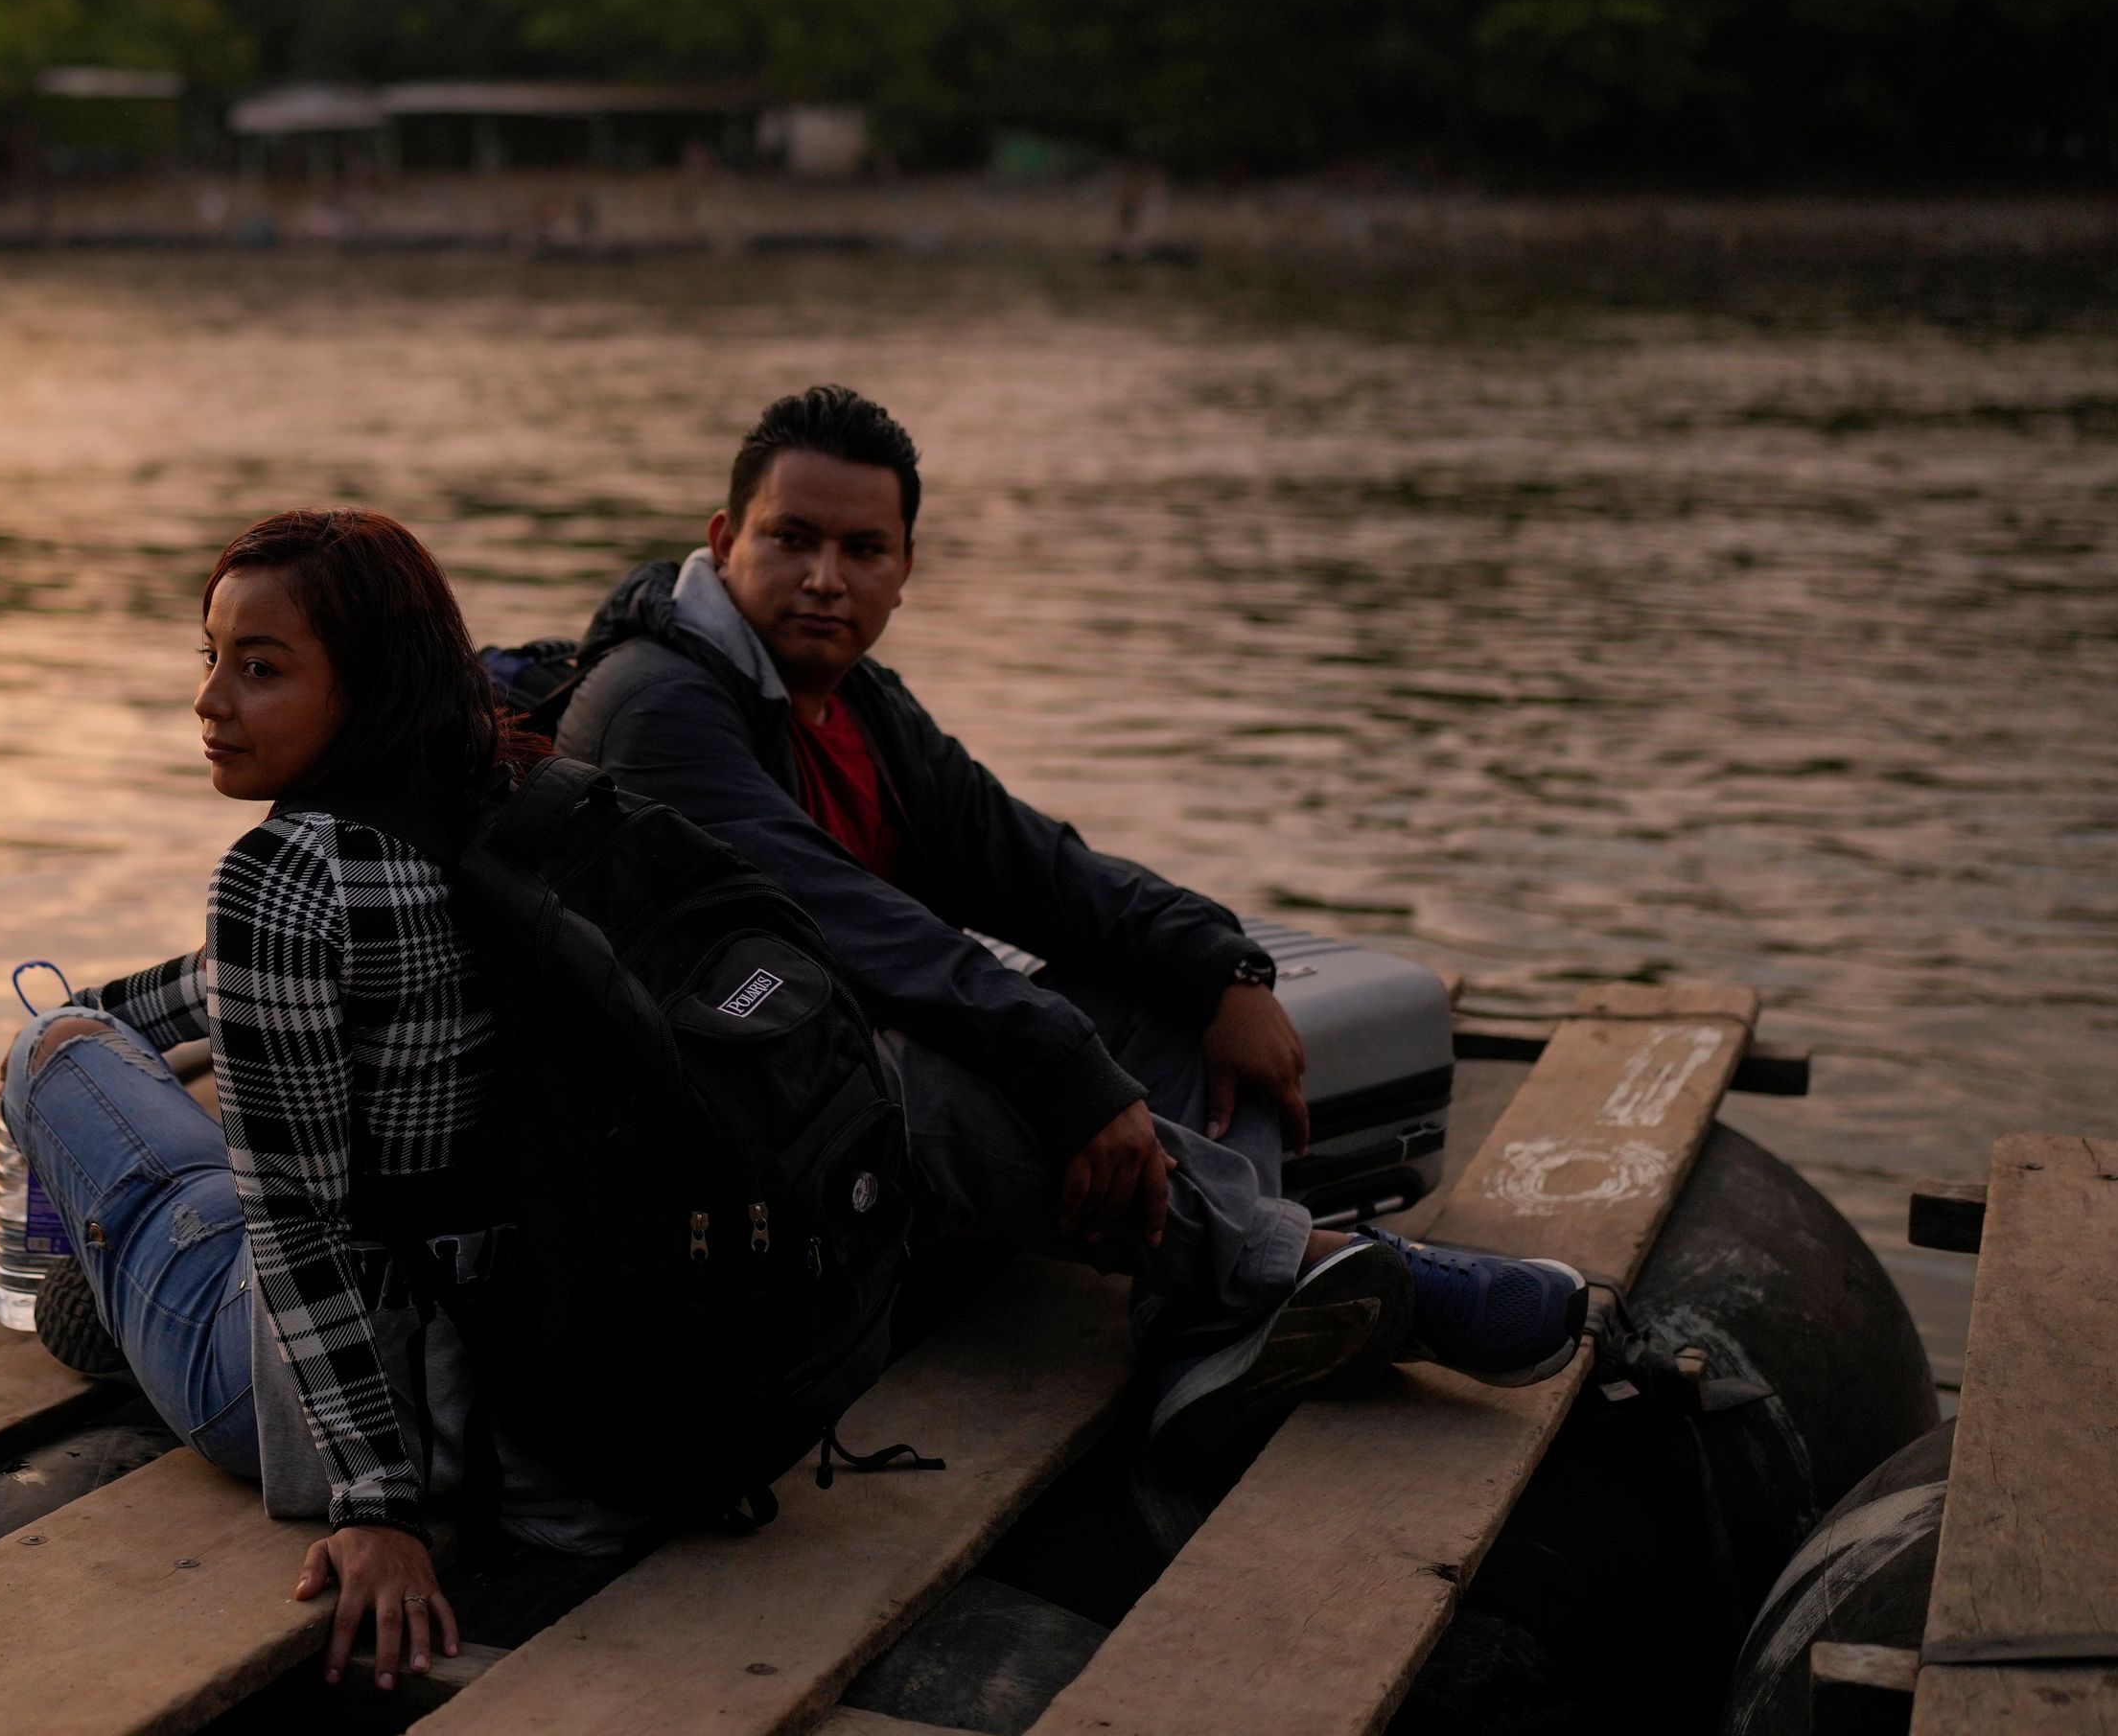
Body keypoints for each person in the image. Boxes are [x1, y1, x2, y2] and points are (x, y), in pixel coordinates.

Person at [554, 385, 1592, 1443]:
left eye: (863, 548)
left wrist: (1220, 966)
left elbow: (1036, 866)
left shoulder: (860, 706)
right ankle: (1302, 1271)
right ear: (726, 539)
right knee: (925, 1067)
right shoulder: (654, 709)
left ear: (905, 570)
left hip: (832, 1102)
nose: (826, 578)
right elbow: (846, 925)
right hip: (706, 1141)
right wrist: (1065, 1066)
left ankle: (1213, 1315)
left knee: (1176, 1008)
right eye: (792, 539)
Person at [0, 507, 578, 1698]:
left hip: (311, 1406)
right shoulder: (519, 802)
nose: (211, 701)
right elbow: (244, 983)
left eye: (259, 669)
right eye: (207, 658)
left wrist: (378, 1507)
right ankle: (107, 1287)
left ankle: (62, 1289)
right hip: (523, 1375)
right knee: (137, 1053)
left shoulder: (280, 878)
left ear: (366, 689)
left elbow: (298, 1225)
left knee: (46, 1048)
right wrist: (135, 1006)